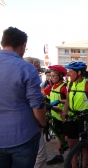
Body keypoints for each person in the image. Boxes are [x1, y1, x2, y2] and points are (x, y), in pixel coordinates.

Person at [0, 27, 46, 168]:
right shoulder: (26, 68)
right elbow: (37, 105)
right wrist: (42, 124)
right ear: (23, 45)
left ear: (3, 42)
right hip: (23, 135)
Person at [61, 61, 88, 168]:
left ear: (79, 72)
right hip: (72, 116)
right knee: (72, 147)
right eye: (68, 72)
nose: (68, 74)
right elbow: (67, 101)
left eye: (70, 72)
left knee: (85, 147)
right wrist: (65, 111)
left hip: (85, 117)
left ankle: (85, 165)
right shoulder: (70, 84)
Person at [23, 57, 48, 168]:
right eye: (37, 68)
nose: (39, 71)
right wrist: (42, 124)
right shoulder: (31, 79)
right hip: (32, 123)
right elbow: (37, 105)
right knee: (40, 156)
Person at [43, 65, 68, 165]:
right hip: (56, 115)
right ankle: (59, 155)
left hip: (64, 115)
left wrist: (59, 101)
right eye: (50, 76)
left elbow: (69, 100)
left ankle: (74, 156)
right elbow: (43, 93)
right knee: (59, 135)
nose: (51, 78)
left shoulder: (64, 87)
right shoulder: (52, 86)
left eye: (53, 76)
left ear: (60, 76)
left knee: (69, 137)